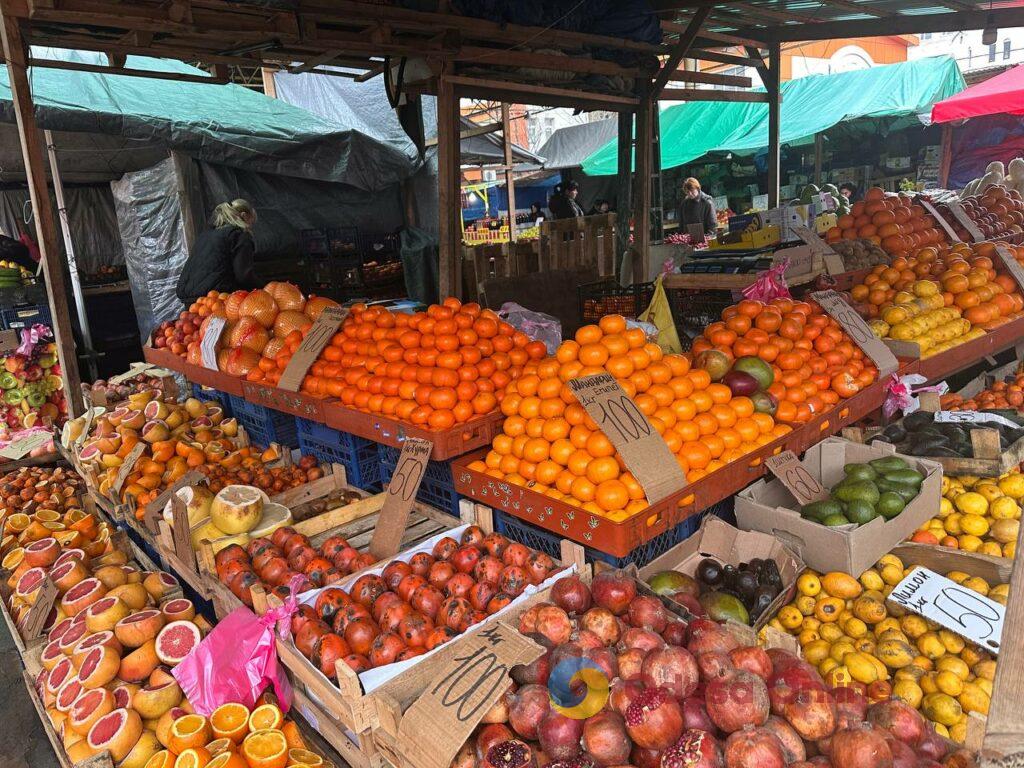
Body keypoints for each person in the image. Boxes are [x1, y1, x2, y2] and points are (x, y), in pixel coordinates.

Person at [176, 199, 261, 304]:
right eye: (251, 222)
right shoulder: (239, 236)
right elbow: (244, 276)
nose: (250, 227)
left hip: (189, 299)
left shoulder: (206, 235)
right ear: (244, 216)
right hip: (216, 298)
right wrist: (263, 289)